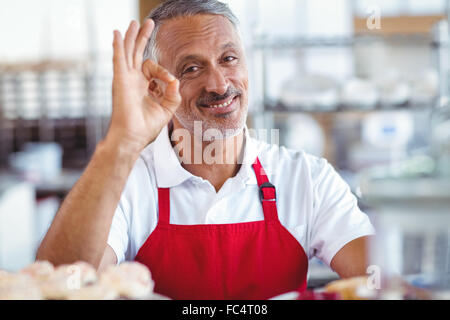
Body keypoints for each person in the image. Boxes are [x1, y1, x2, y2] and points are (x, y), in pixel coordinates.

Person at [37, 0, 375, 300]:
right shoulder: (127, 183)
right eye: (191, 68)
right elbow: (58, 285)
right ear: (156, 87)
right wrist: (121, 143)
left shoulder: (308, 178)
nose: (219, 84)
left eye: (228, 59)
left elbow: (379, 280)